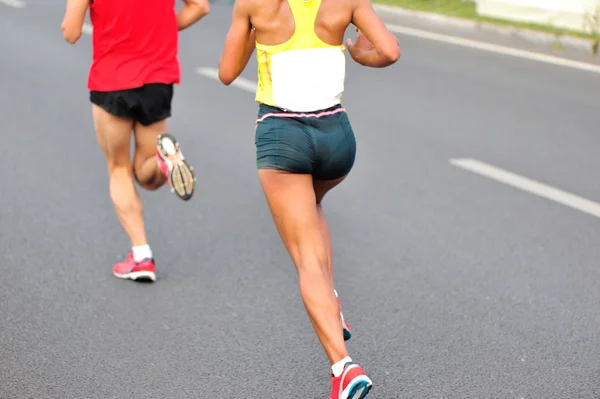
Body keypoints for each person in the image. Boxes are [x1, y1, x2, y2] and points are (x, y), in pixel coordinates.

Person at [218, 0, 400, 397]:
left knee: (306, 261)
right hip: (337, 139)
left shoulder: (252, 4)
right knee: (311, 205)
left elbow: (227, 73)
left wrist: (254, 31)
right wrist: (357, 53)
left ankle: (344, 367)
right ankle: (330, 300)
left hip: (283, 137)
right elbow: (389, 50)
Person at [61, 0, 209, 282]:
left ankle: (141, 257)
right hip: (158, 79)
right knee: (146, 172)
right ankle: (168, 160)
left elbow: (71, 32)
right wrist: (161, 32)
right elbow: (200, 6)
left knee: (119, 169)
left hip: (112, 79)